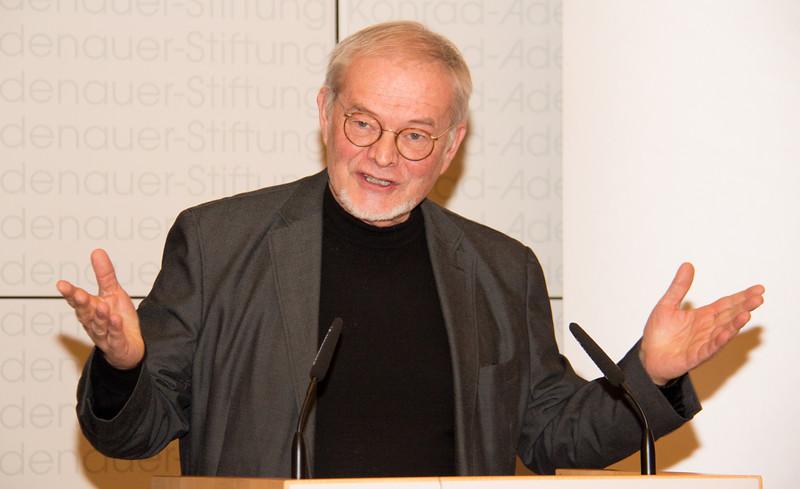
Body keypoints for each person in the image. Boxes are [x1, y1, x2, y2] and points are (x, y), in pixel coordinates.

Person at [57, 21, 765, 478]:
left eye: (416, 135)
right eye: (363, 123)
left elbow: (553, 431)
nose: (383, 155)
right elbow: (134, 434)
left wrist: (652, 373)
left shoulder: (502, 270)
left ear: (452, 145)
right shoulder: (219, 243)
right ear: (325, 113)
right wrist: (124, 367)